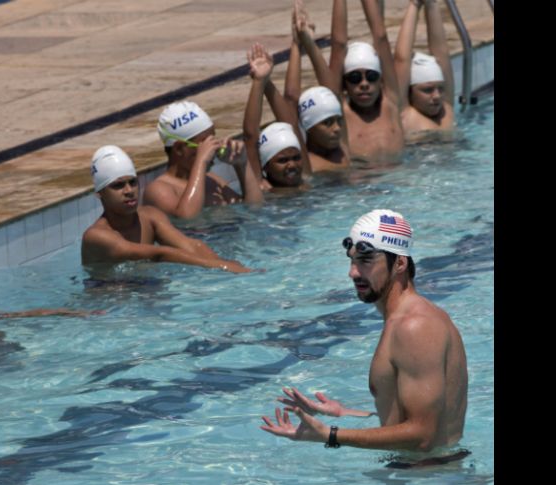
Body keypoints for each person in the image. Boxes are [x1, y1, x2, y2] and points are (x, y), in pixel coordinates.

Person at [261, 209, 468, 464]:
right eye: (352, 260)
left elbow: (422, 435)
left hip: (429, 477)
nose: (353, 273)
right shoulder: (405, 319)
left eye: (366, 261)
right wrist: (345, 414)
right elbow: (413, 416)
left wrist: (331, 434)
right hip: (425, 472)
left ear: (400, 264)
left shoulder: (414, 327)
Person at [81, 145, 251, 273]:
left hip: (147, 290)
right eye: (118, 186)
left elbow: (190, 245)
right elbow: (158, 254)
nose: (129, 191)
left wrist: (226, 265)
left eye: (132, 182)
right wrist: (220, 266)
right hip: (107, 304)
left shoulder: (150, 216)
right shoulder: (97, 236)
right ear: (99, 193)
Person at [143, 100, 263, 219]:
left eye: (214, 139)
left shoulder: (211, 180)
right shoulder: (158, 190)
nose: (214, 147)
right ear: (179, 149)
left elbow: (254, 209)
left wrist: (241, 164)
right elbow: (189, 219)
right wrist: (201, 161)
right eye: (206, 144)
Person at [327, 0, 405, 164]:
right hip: (360, 186)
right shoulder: (340, 114)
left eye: (371, 76)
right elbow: (338, 45)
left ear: (381, 80)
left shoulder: (390, 102)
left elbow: (381, 38)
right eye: (354, 78)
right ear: (344, 84)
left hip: (401, 185)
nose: (364, 84)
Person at [289, 0, 352, 173]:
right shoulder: (306, 163)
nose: (337, 128)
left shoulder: (342, 148)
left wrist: (308, 42)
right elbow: (291, 100)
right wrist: (296, 44)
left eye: (338, 120)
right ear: (308, 127)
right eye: (327, 123)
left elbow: (333, 90)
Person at [242, 42, 311, 190]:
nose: (292, 165)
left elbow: (291, 124)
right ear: (265, 166)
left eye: (296, 158)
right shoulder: (262, 187)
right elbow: (250, 136)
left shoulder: (304, 176)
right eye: (282, 160)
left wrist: (267, 82)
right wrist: (259, 82)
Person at [394, 0, 455, 141]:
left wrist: (431, 3)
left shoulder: (447, 110)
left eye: (440, 88)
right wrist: (414, 4)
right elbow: (401, 60)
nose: (437, 96)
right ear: (410, 91)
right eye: (427, 90)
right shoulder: (405, 115)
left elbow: (442, 54)